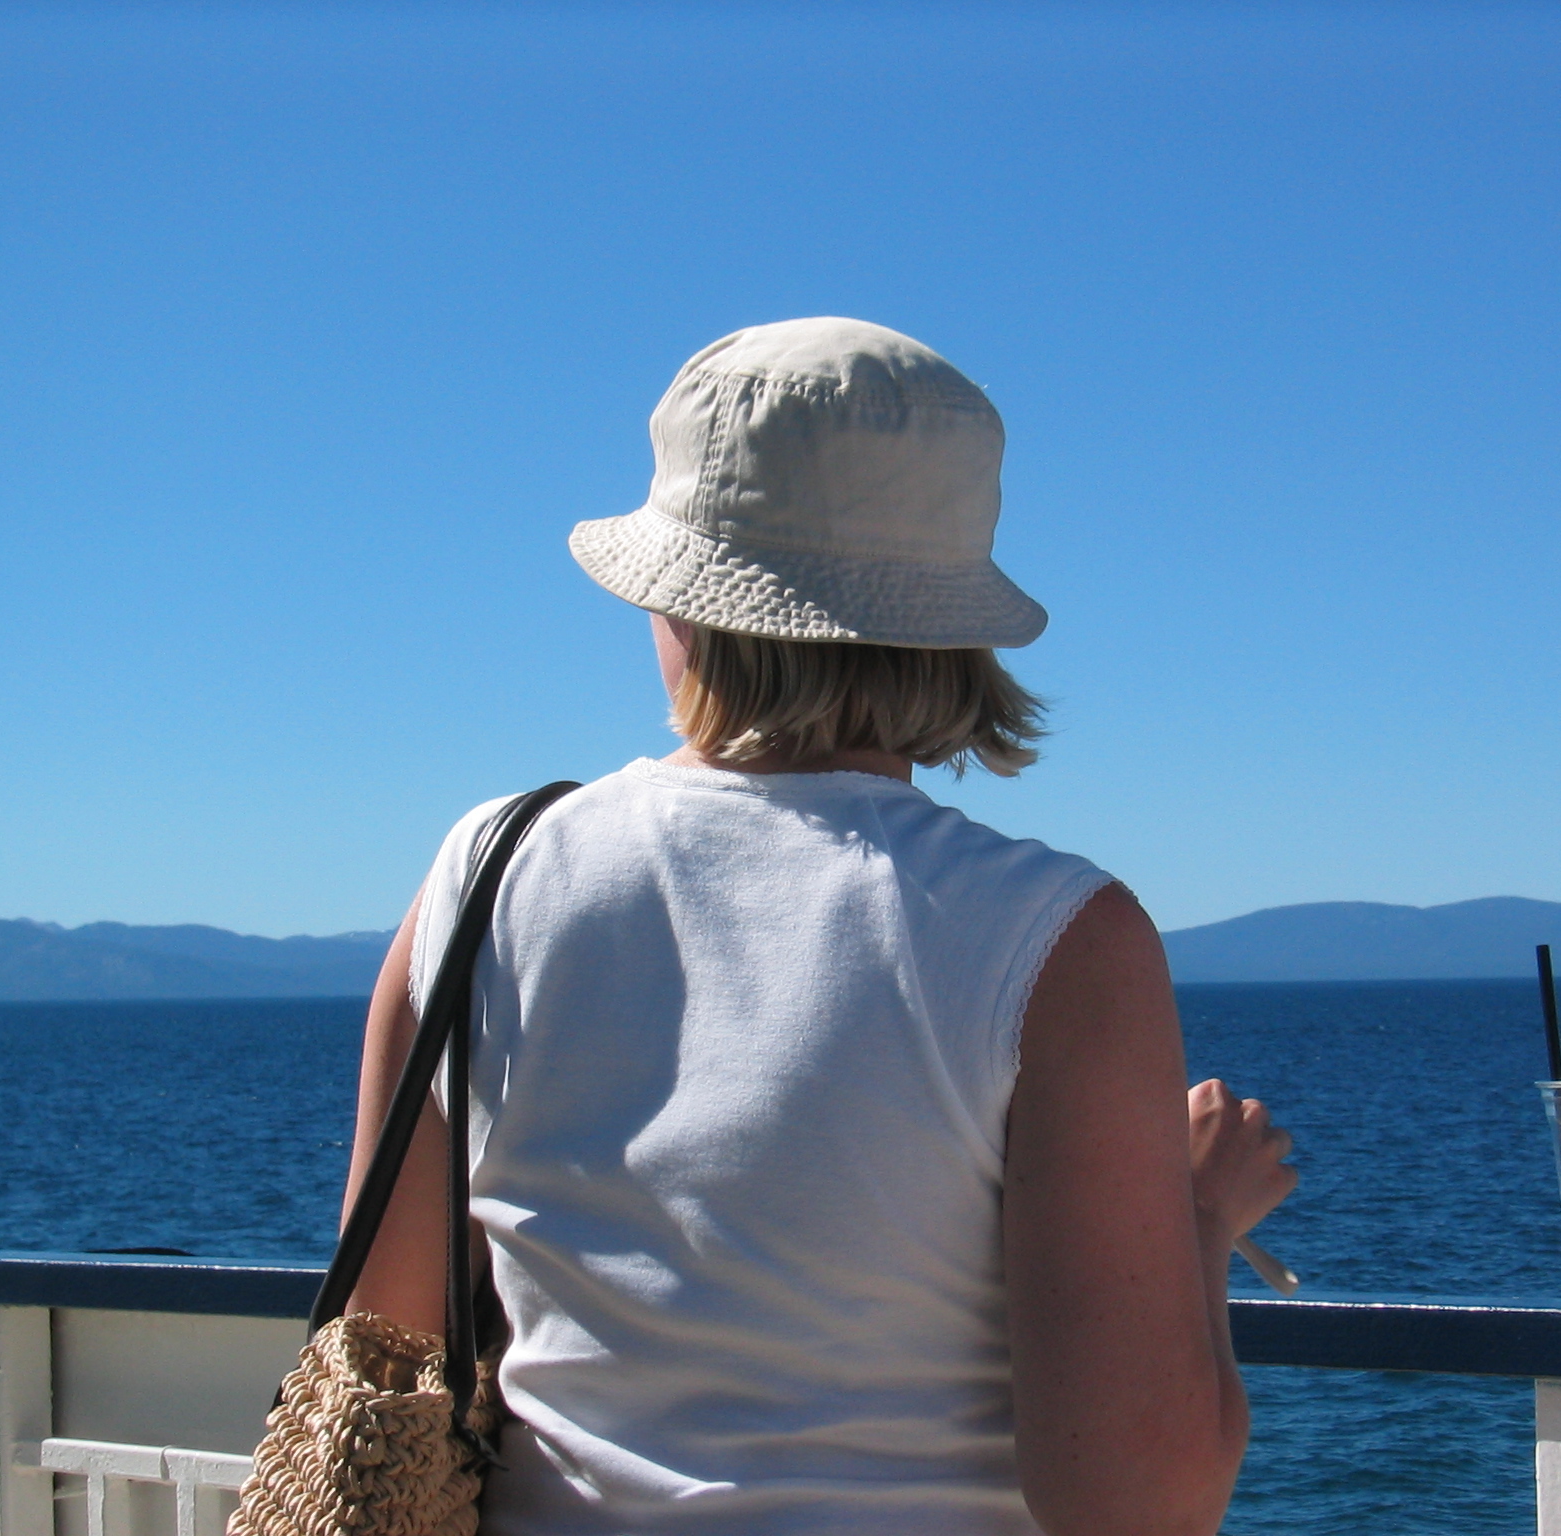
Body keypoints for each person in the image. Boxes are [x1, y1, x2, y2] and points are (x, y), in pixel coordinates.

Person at [343, 318, 1296, 1536]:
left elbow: (383, 1338)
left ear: (681, 605)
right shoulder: (1059, 940)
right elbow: (1133, 1508)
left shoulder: (486, 872)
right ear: (950, 623)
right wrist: (1196, 1220)